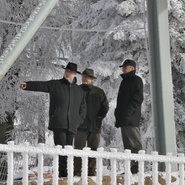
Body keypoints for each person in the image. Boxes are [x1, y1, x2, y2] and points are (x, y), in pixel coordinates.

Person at [20, 62, 86, 177]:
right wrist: (28, 85)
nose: (67, 73)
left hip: (72, 126)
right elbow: (42, 85)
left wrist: (78, 120)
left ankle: (67, 174)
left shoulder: (79, 90)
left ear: (75, 74)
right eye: (66, 70)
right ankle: (62, 175)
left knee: (69, 151)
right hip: (59, 123)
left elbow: (83, 107)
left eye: (70, 71)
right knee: (60, 150)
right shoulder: (56, 84)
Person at [74, 68, 109, 176]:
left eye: (87, 77)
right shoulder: (76, 90)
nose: (85, 79)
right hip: (80, 126)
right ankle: (77, 172)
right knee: (78, 150)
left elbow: (105, 106)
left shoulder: (99, 92)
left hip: (95, 127)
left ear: (92, 79)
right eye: (83, 76)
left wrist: (99, 117)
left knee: (93, 150)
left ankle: (91, 171)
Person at [114, 59, 143, 174]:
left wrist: (128, 112)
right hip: (124, 118)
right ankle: (130, 168)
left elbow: (138, 98)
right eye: (123, 67)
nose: (123, 68)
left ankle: (136, 168)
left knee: (134, 144)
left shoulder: (136, 80)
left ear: (132, 68)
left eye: (125, 67)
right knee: (127, 145)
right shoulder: (125, 81)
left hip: (131, 118)